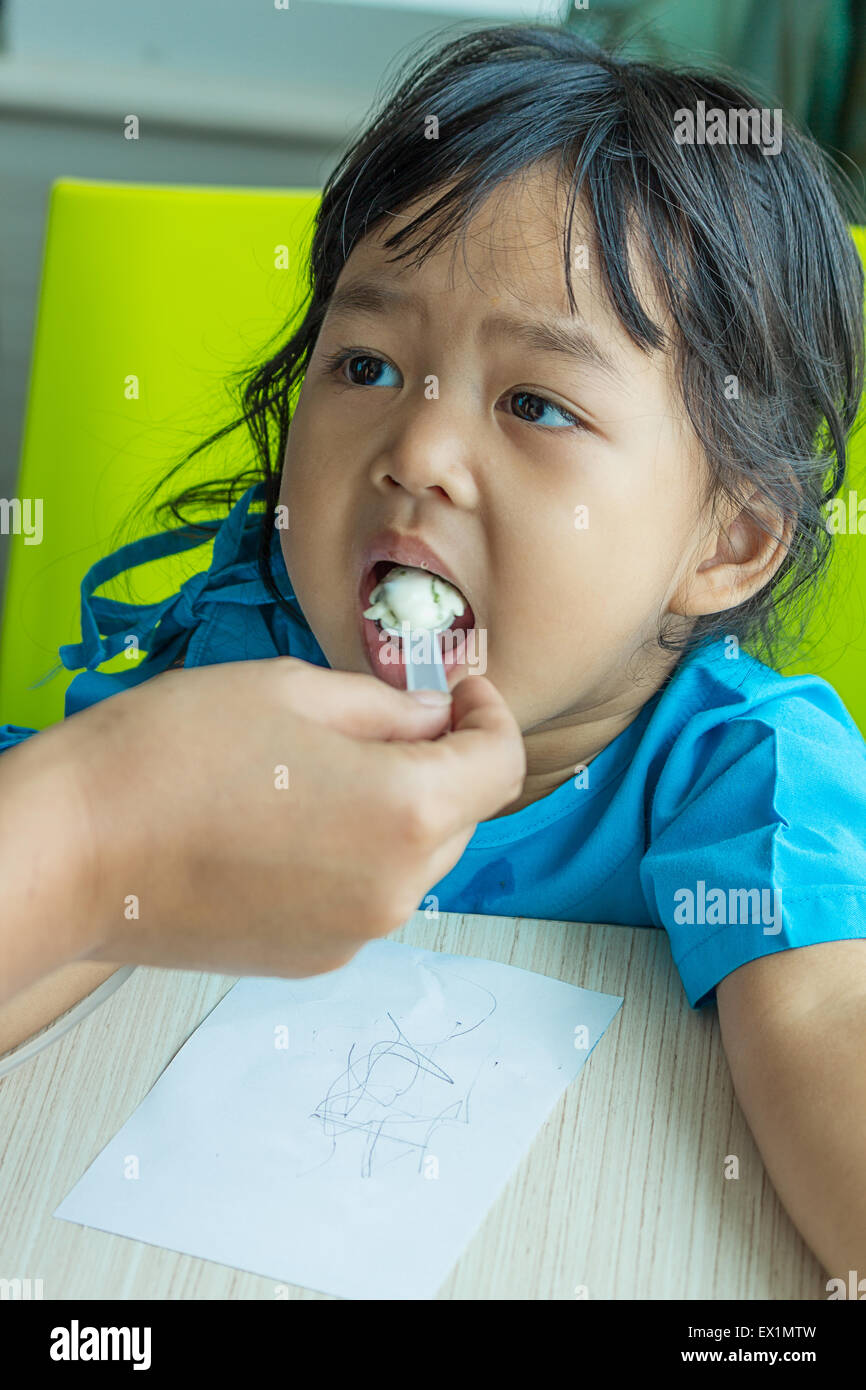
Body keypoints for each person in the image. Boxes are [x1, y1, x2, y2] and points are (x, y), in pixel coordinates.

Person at [2, 24, 866, 1274]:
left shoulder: (741, 777)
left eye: (533, 403)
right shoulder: (248, 668)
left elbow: (830, 1021)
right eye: (365, 364)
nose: (413, 451)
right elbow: (73, 909)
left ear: (722, 543)